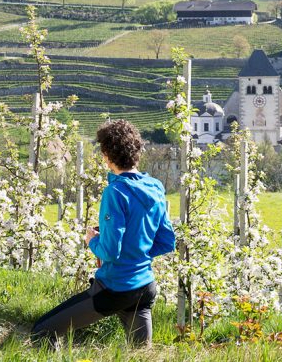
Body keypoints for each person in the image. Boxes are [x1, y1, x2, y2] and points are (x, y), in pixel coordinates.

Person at [32, 119, 175, 346]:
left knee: (42, 331)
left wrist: (92, 241)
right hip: (145, 287)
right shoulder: (155, 187)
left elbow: (109, 251)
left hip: (115, 288)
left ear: (107, 154)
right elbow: (167, 242)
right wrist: (138, 253)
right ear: (136, 151)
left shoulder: (115, 192)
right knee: (141, 356)